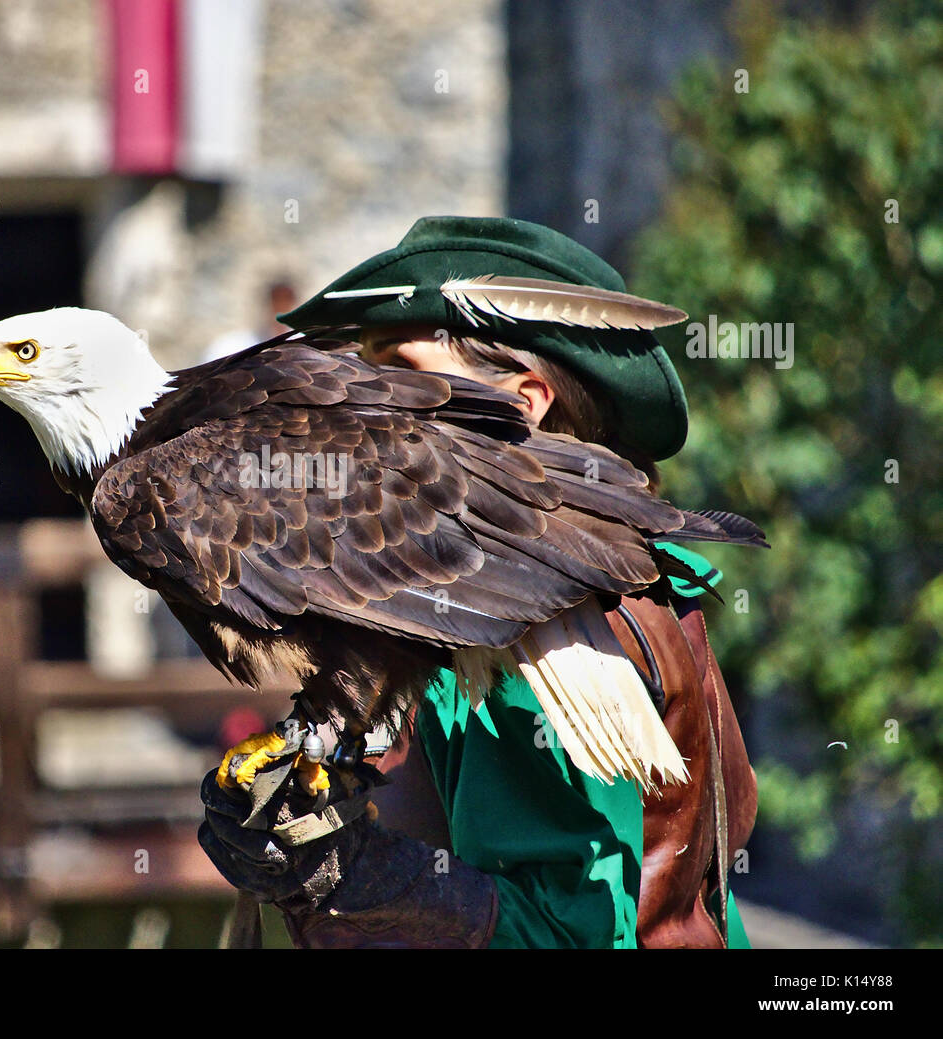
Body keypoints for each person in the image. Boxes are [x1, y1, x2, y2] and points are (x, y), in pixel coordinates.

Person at [198, 216, 756, 949]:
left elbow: (575, 936)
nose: (364, 409)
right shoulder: (614, 582)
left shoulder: (544, 627)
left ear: (522, 406)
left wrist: (361, 877)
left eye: (400, 375)